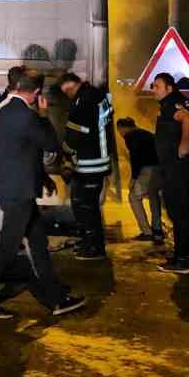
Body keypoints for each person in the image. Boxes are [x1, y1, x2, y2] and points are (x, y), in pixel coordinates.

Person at [0, 68, 86, 320]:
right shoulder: (27, 116)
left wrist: (42, 177)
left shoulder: (3, 111)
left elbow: (21, 151)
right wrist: (44, 115)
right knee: (6, 248)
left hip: (14, 188)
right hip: (18, 193)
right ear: (35, 93)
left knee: (38, 245)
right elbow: (51, 144)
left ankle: (56, 298)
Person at [58, 72, 115, 261]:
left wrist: (65, 154)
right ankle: (89, 241)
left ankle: (94, 247)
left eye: (67, 91)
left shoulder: (84, 102)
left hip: (90, 162)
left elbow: (74, 136)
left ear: (72, 86)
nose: (68, 96)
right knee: (86, 205)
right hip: (98, 159)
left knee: (85, 206)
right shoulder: (97, 96)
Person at [151, 72, 189, 274]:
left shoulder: (172, 104)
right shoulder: (178, 101)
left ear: (169, 88)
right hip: (180, 166)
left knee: (179, 211)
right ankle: (181, 255)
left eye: (157, 86)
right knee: (184, 211)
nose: (153, 90)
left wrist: (184, 145)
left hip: (178, 167)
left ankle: (182, 261)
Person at [117, 117, 165, 243]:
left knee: (133, 197)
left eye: (119, 131)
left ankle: (147, 232)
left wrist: (133, 179)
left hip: (148, 170)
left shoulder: (130, 137)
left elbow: (135, 159)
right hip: (161, 168)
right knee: (153, 196)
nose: (120, 134)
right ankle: (157, 230)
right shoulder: (146, 133)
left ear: (122, 128)